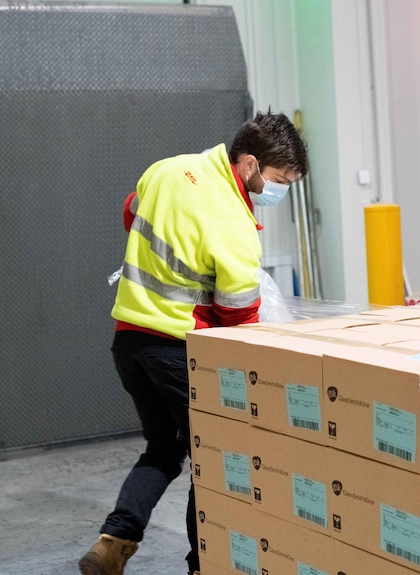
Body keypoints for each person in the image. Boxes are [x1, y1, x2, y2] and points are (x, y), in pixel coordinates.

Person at [78, 111, 308, 575]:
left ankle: (112, 543)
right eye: (280, 181)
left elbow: (131, 213)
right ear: (248, 166)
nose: (279, 192)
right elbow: (240, 319)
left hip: (129, 343)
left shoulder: (167, 169)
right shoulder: (234, 225)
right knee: (213, 457)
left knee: (163, 447)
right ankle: (204, 563)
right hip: (176, 352)